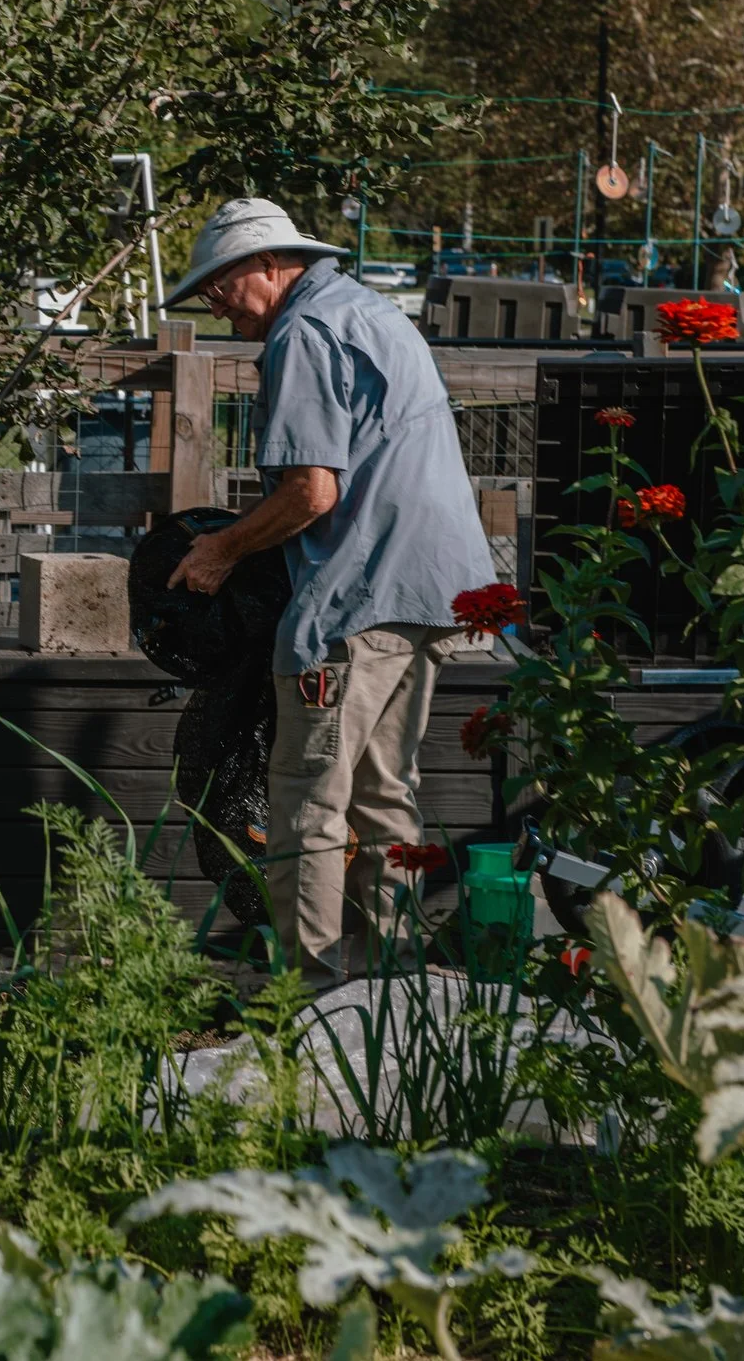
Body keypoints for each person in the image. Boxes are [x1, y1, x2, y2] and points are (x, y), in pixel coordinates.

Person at [164, 197, 497, 989]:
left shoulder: (302, 332)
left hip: (360, 596)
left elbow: (313, 492)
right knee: (385, 793)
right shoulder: (367, 312)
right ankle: (387, 988)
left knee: (309, 798)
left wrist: (222, 547)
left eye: (220, 280)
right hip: (432, 593)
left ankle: (310, 989)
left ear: (271, 265)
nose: (211, 297)